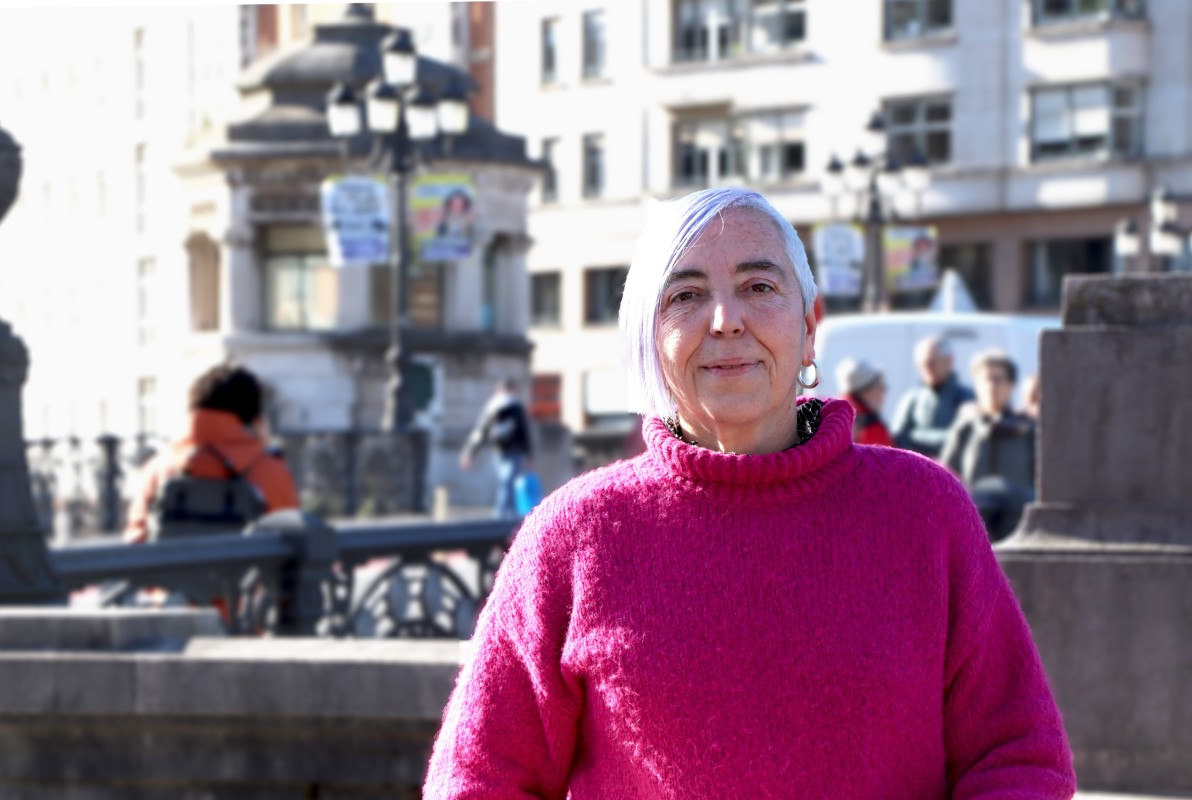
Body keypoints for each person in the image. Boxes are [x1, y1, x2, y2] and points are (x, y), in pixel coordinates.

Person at [423, 188, 1075, 798]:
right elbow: (477, 777)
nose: (726, 320)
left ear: (810, 327)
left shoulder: (924, 511)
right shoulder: (572, 536)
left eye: (758, 287)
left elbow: (1018, 754)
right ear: (650, 336)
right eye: (686, 295)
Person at [124, 364, 299, 544]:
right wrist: (263, 446)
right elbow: (293, 541)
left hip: (173, 563)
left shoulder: (157, 470)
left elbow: (136, 541)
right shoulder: (269, 471)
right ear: (256, 420)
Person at [940, 350, 1037, 542]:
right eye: (986, 379)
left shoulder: (1029, 429)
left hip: (1018, 528)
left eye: (998, 379)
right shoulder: (965, 429)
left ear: (1011, 385)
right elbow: (946, 477)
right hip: (972, 528)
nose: (991, 386)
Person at [459, 378, 533, 519]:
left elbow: (481, 432)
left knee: (507, 483)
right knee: (507, 483)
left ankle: (503, 515)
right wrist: (469, 453)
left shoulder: (500, 407)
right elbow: (482, 431)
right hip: (505, 451)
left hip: (507, 451)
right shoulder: (507, 407)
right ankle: (504, 515)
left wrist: (470, 453)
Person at [891, 335, 975, 457]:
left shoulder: (968, 397)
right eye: (921, 365)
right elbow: (898, 438)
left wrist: (915, 434)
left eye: (931, 362)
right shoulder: (912, 399)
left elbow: (966, 439)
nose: (926, 369)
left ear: (949, 360)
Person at [835, 356, 892, 446]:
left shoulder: (832, 415)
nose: (884, 391)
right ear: (866, 391)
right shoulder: (871, 428)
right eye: (881, 387)